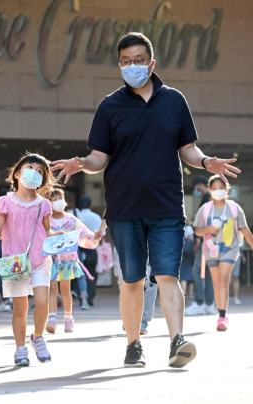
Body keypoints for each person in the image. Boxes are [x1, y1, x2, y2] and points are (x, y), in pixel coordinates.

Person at [52, 32, 240, 368]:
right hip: (124, 208)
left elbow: (188, 150)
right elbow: (99, 158)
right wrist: (81, 163)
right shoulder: (110, 106)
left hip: (167, 205)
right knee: (132, 279)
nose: (132, 67)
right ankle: (133, 343)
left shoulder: (174, 101)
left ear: (151, 63)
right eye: (125, 62)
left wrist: (207, 161)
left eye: (138, 61)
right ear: (120, 65)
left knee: (168, 274)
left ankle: (176, 342)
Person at [0, 153, 55, 366]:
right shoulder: (4, 202)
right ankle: (20, 348)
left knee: (43, 303)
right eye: (30, 168)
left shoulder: (44, 204)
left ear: (43, 179)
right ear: (17, 174)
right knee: (20, 308)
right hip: (15, 262)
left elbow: (47, 231)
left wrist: (63, 240)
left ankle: (38, 336)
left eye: (40, 172)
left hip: (40, 259)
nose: (34, 173)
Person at [193, 175, 253, 332]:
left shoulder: (234, 208)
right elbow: (197, 230)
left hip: (230, 248)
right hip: (211, 250)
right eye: (214, 188)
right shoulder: (205, 209)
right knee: (216, 282)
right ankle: (221, 313)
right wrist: (208, 230)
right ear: (210, 190)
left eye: (221, 188)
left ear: (227, 189)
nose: (218, 191)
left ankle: (222, 316)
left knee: (223, 280)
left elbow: (245, 230)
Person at [46, 187, 100, 335]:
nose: (58, 202)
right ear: (48, 202)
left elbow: (84, 233)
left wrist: (94, 237)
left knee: (65, 289)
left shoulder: (71, 219)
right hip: (50, 260)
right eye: (54, 199)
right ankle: (52, 319)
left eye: (60, 198)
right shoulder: (46, 220)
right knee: (52, 289)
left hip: (67, 260)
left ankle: (68, 317)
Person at [186, 176, 216, 316]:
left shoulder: (206, 198)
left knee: (198, 270)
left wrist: (197, 241)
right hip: (213, 241)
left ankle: (199, 302)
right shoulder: (214, 198)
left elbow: (203, 222)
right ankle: (209, 304)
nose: (196, 191)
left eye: (196, 189)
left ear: (200, 185)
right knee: (209, 272)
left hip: (204, 241)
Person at [78, 194, 102, 307]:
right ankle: (90, 298)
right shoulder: (96, 217)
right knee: (92, 273)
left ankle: (82, 297)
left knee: (80, 274)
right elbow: (101, 235)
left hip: (79, 250)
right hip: (92, 249)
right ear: (90, 204)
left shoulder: (76, 216)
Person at [179, 220, 195, 302]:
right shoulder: (188, 228)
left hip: (179, 252)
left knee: (183, 274)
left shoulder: (177, 228)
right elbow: (191, 239)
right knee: (186, 274)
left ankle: (183, 293)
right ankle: (186, 293)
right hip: (187, 253)